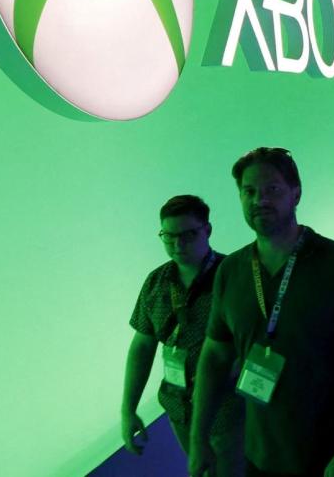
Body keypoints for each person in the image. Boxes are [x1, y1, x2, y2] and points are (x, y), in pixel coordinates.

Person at [189, 148, 334, 477]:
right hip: (261, 454)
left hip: (332, 456)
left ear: (296, 194)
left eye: (272, 189)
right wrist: (198, 439)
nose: (259, 200)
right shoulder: (231, 271)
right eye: (249, 191)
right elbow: (214, 356)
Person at [122, 195, 245, 475]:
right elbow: (142, 345)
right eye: (169, 236)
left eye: (188, 235)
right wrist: (128, 409)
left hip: (228, 408)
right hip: (179, 408)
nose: (177, 245)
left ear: (207, 230)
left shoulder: (235, 277)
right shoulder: (156, 282)